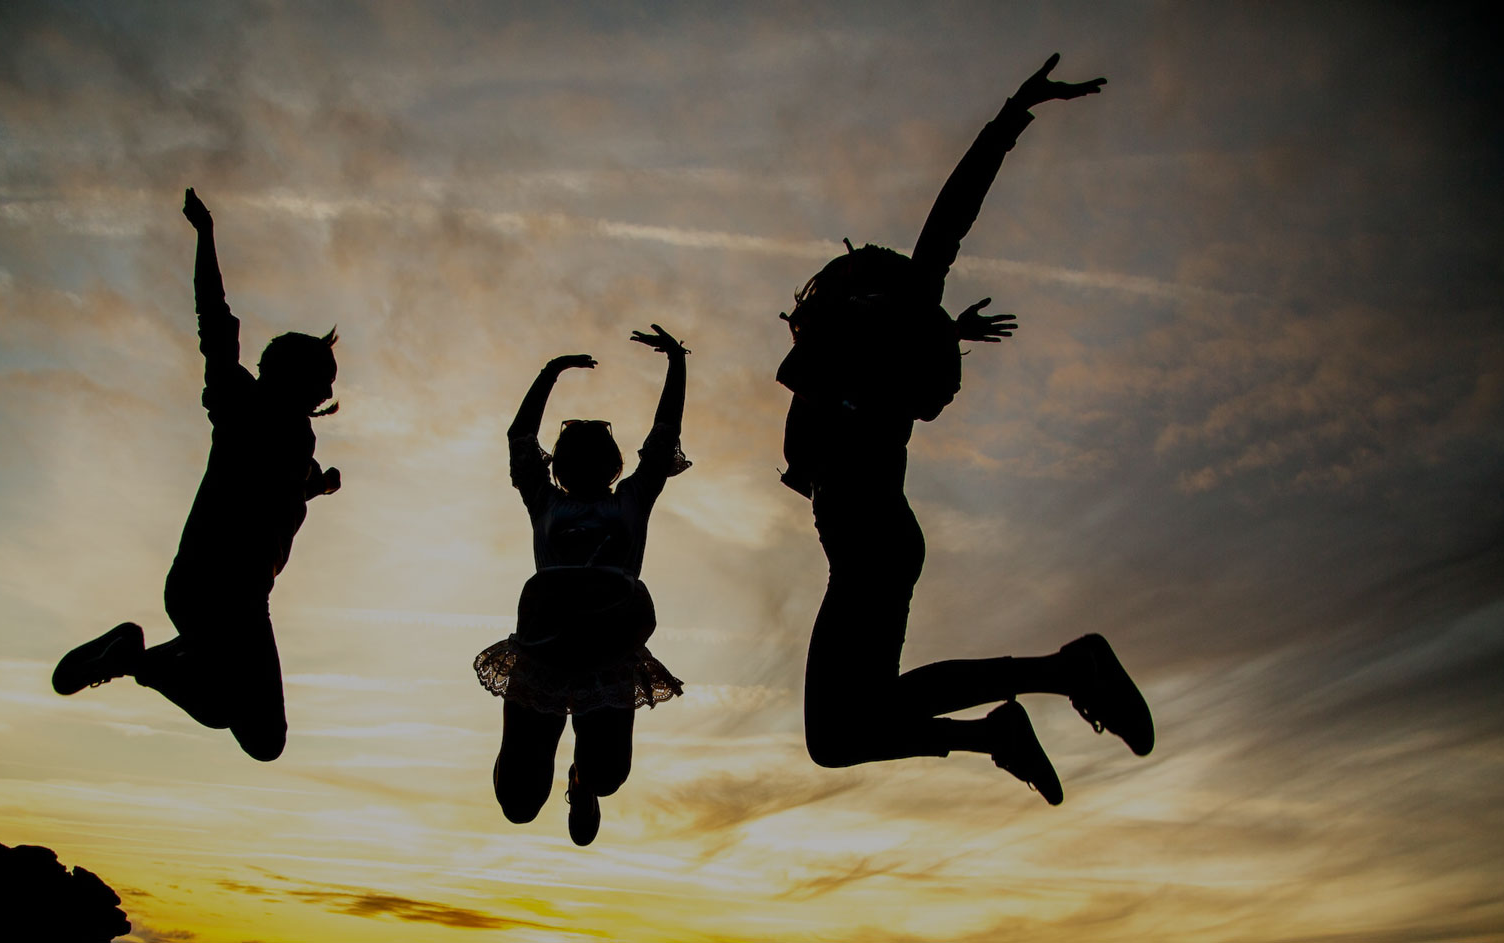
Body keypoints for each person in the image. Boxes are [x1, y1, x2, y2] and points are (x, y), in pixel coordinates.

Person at [778, 55, 1151, 804]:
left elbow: (949, 219)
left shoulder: (865, 341)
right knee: (838, 734)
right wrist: (942, 326)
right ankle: (1007, 725)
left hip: (873, 542)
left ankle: (1058, 674)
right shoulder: (850, 359)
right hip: (873, 543)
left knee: (838, 731)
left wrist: (1014, 112)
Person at [51, 188, 341, 762]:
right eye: (325, 379)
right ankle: (138, 658)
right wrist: (205, 235)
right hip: (225, 596)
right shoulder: (242, 402)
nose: (331, 391)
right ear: (295, 376)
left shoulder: (292, 438)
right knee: (263, 737)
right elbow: (215, 318)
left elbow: (276, 490)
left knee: (236, 718)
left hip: (207, 593)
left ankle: (142, 657)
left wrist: (318, 485)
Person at [475, 325, 690, 845]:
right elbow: (519, 440)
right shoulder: (545, 502)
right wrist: (550, 373)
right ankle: (525, 759)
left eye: (597, 454)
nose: (586, 460)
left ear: (612, 464)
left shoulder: (633, 500)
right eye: (573, 452)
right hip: (545, 648)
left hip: (609, 649)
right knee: (519, 805)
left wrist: (677, 363)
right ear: (561, 463)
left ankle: (582, 782)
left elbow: (663, 437)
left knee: (608, 776)